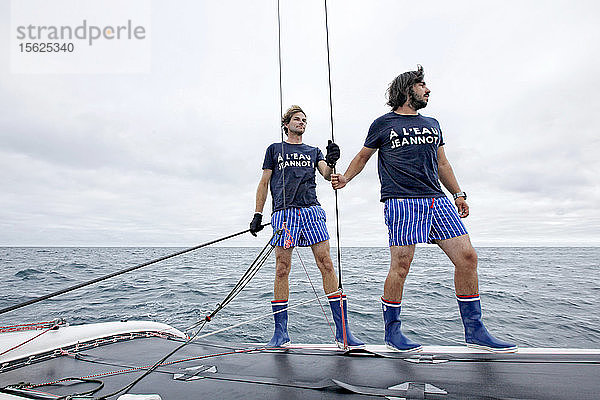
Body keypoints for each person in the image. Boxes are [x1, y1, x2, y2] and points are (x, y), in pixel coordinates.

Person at [331, 66, 516, 353]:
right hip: (401, 201)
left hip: (437, 199)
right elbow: (363, 156)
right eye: (422, 85)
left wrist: (458, 193)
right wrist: (344, 177)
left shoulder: (433, 122)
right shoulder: (383, 124)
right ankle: (393, 332)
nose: (428, 89)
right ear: (407, 90)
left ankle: (475, 331)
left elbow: (442, 163)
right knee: (401, 266)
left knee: (467, 257)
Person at [249, 105, 364, 349]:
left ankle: (343, 331)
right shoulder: (274, 150)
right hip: (284, 213)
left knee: (327, 264)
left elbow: (326, 174)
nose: (302, 123)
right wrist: (258, 214)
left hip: (311, 210)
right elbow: (263, 182)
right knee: (282, 268)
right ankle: (280, 333)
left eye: (304, 120)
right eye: (297, 119)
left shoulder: (313, 151)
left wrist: (332, 161)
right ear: (286, 124)